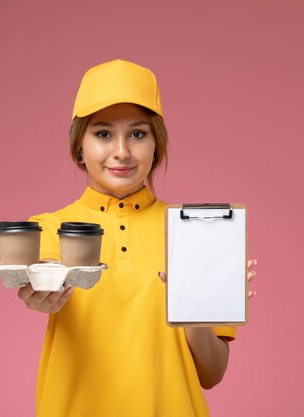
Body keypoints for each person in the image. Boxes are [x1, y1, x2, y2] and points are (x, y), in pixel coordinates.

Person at [17, 59, 258, 417]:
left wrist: (196, 310)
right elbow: (43, 273)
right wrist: (41, 294)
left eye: (137, 133)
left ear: (156, 145)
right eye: (102, 134)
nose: (121, 151)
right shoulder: (52, 227)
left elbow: (212, 373)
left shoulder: (195, 231)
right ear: (79, 146)